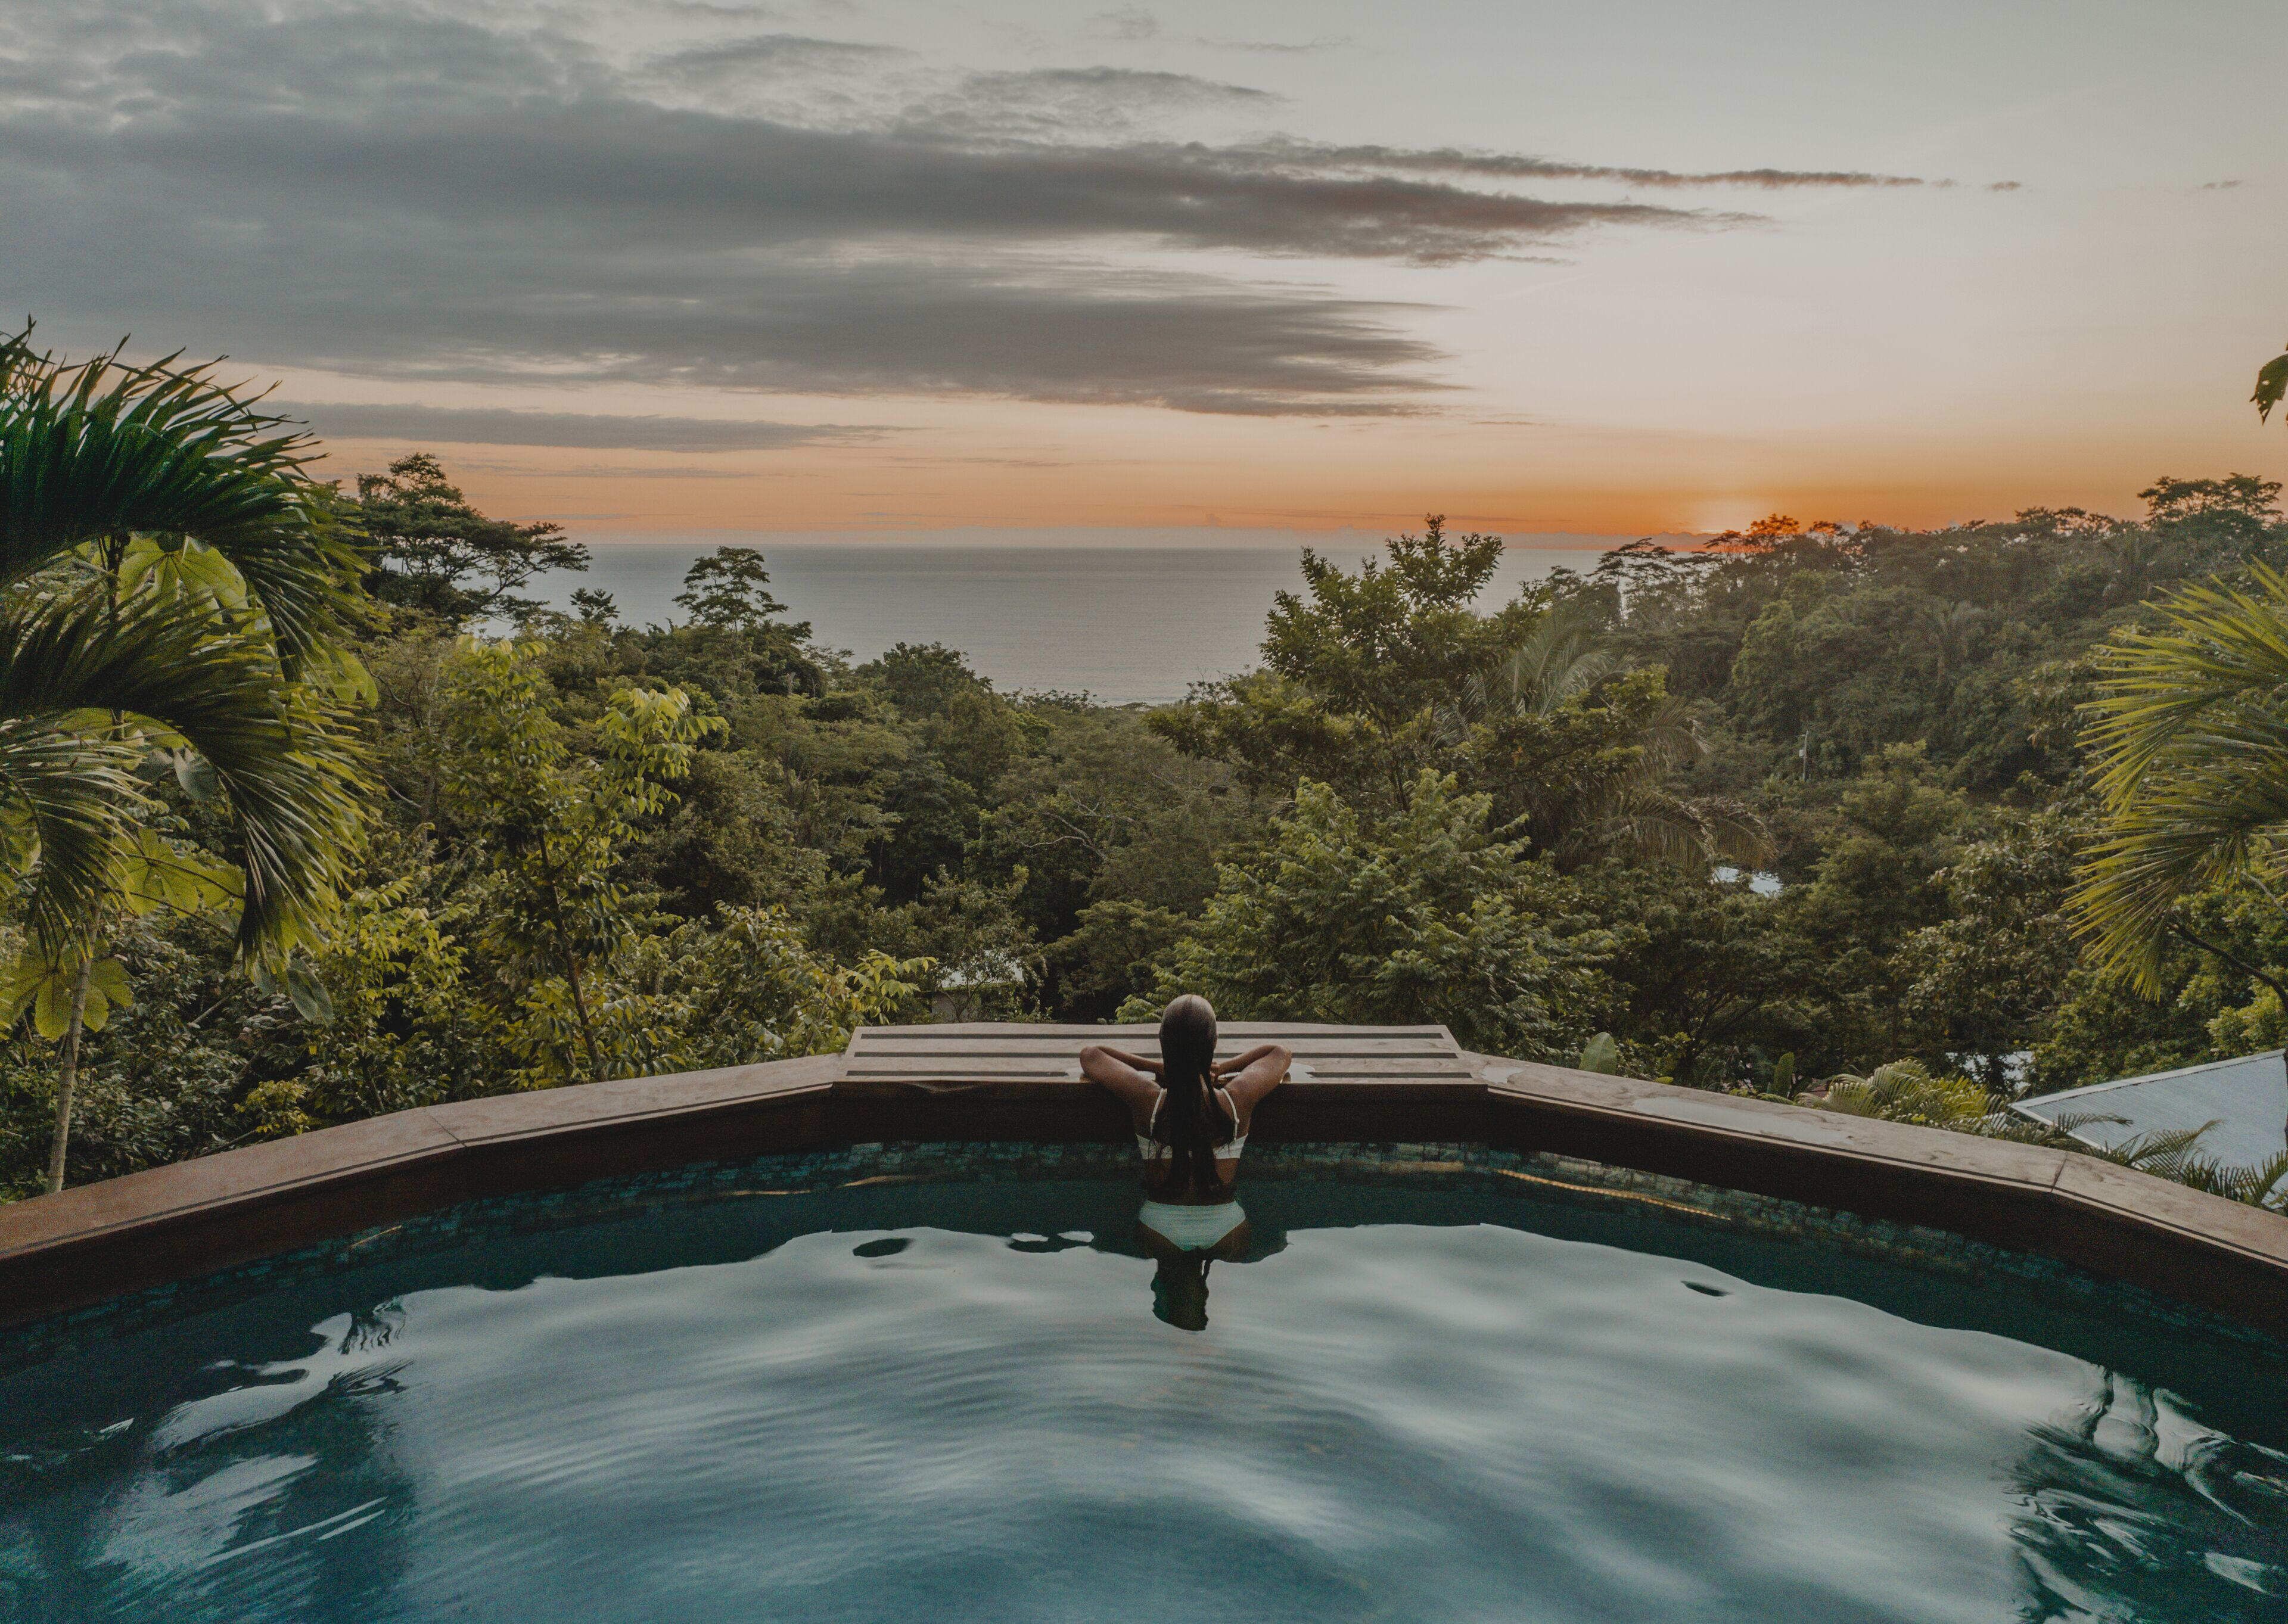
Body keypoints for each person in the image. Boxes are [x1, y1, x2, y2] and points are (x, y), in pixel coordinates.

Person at [1079, 997, 1289, 1314]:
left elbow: (1092, 1055)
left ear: (1164, 1045)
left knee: (1169, 1270)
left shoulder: (1149, 1100)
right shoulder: (1236, 1100)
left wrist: (1154, 1068)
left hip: (1159, 1228)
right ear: (1214, 1044)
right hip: (1228, 1229)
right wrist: (1224, 1068)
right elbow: (1280, 1054)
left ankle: (1180, 1304)